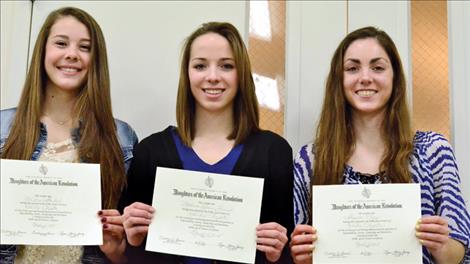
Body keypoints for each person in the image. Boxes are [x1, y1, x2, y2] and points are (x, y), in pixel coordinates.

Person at [290, 26, 470, 264]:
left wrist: (441, 245)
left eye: (377, 67)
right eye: (352, 68)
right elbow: (299, 250)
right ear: (339, 80)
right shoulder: (310, 159)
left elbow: (459, 252)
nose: (365, 77)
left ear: (394, 78)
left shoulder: (434, 150)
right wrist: (301, 256)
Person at [120, 22, 294, 263]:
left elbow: (285, 254)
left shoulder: (274, 152)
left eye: (226, 66)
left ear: (241, 74)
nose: (213, 77)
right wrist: (134, 239)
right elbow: (133, 256)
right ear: (187, 73)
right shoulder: (151, 152)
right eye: (200, 65)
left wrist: (277, 254)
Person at [0, 7, 137, 264]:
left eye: (85, 47)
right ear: (43, 51)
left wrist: (118, 251)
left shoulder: (121, 138)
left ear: (96, 60)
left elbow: (129, 253)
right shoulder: (2, 128)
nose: (72, 54)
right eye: (61, 43)